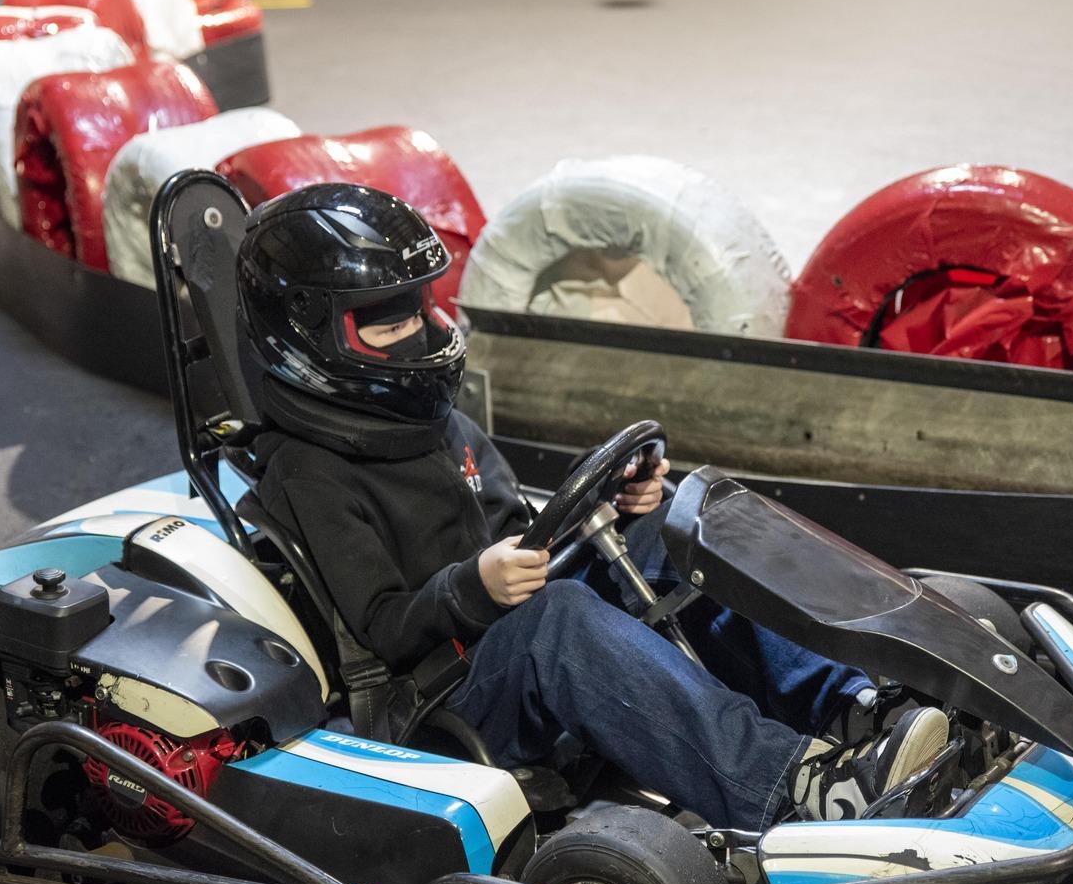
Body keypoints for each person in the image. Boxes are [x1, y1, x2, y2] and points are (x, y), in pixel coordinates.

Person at [239, 183, 949, 831]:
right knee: (559, 621)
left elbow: (517, 528)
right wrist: (471, 587)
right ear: (311, 337)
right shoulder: (310, 472)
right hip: (434, 692)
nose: (419, 334)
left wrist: (613, 507)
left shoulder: (423, 418)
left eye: (419, 308)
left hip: (501, 627)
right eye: (385, 322)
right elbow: (384, 630)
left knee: (667, 529)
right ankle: (789, 786)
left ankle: (849, 705)